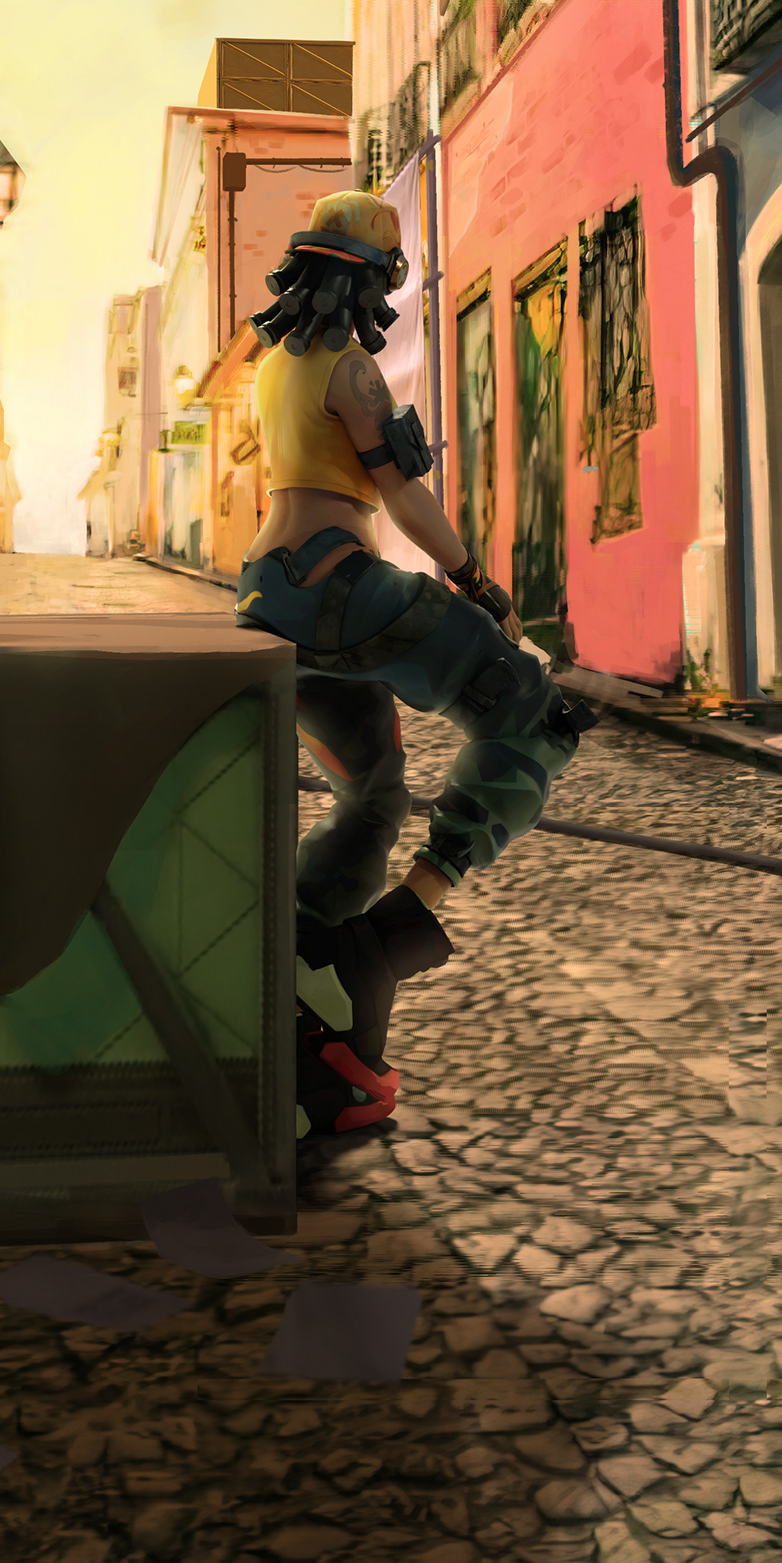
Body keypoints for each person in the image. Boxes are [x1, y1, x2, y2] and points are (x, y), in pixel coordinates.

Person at [236, 190, 595, 1141]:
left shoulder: (272, 366)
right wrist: (475, 580)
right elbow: (401, 495)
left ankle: (306, 972)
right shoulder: (353, 371)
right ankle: (392, 934)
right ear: (366, 279)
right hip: (342, 586)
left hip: (269, 594)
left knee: (374, 796)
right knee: (537, 714)